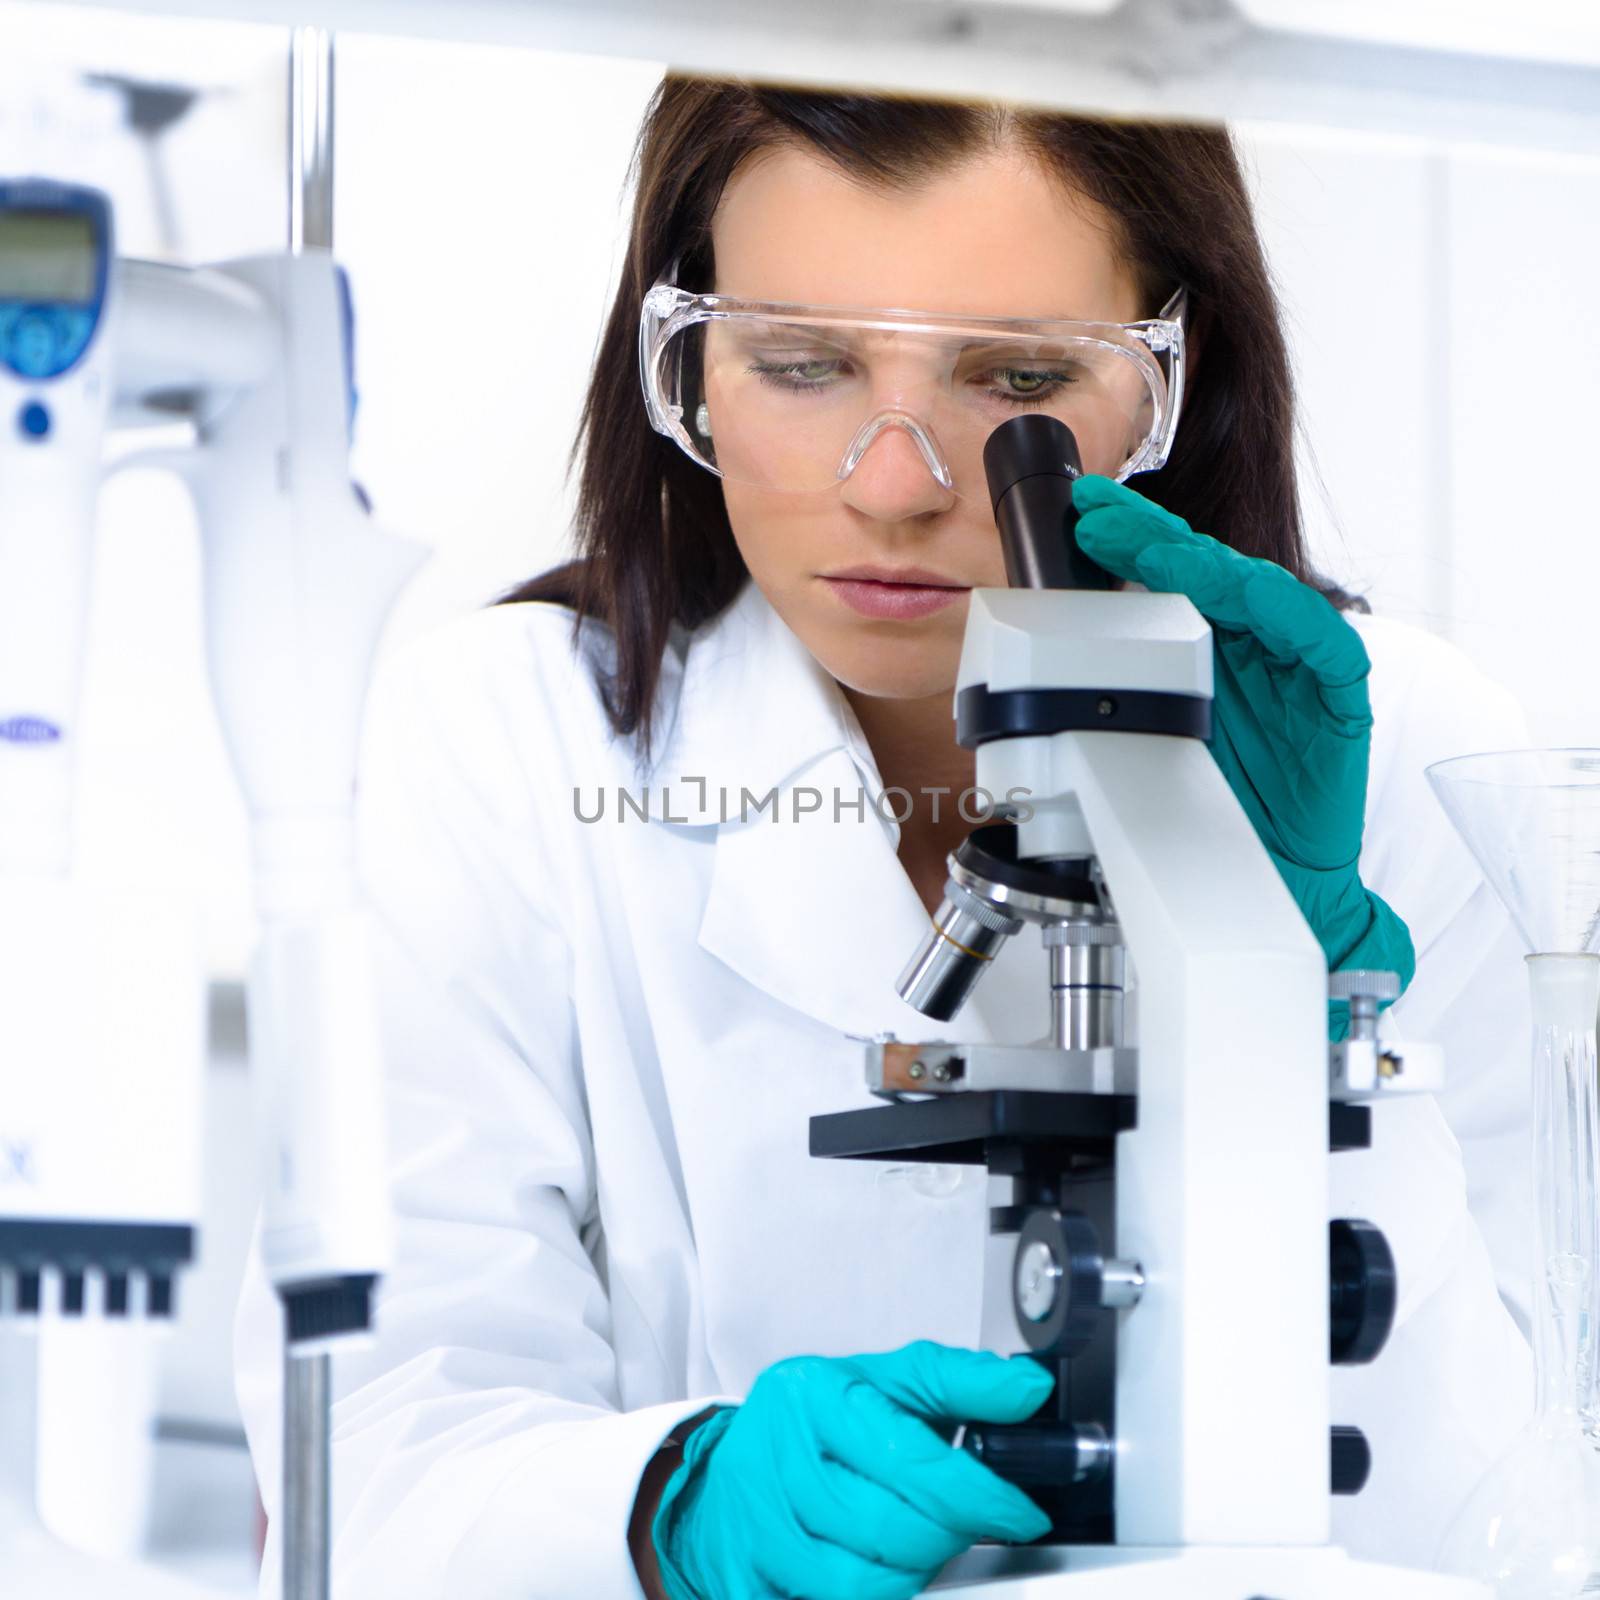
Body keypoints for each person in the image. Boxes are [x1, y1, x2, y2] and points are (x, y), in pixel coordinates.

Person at [235, 75, 1537, 1599]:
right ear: (690, 367)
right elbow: (378, 1474)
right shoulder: (489, 747)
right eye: (802, 365)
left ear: (1181, 385)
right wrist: (664, 1508)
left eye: (1017, 381)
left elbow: (1511, 1513)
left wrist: (1290, 1012)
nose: (900, 486)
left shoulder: (1400, 751)